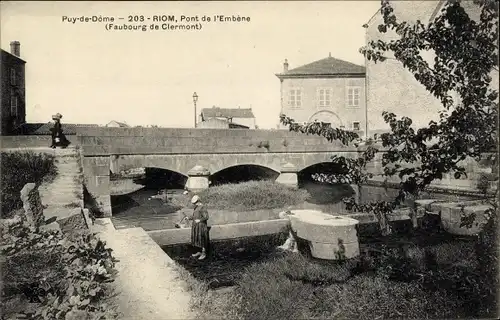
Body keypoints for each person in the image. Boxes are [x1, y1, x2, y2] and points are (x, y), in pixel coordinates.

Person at [189, 195, 210, 260]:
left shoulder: (202, 207)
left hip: (201, 226)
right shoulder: (196, 207)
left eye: (195, 203)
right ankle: (199, 252)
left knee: (202, 239)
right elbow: (194, 216)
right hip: (197, 226)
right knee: (197, 238)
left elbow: (206, 217)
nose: (194, 204)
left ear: (198, 201)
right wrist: (189, 218)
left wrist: (199, 220)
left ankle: (204, 253)